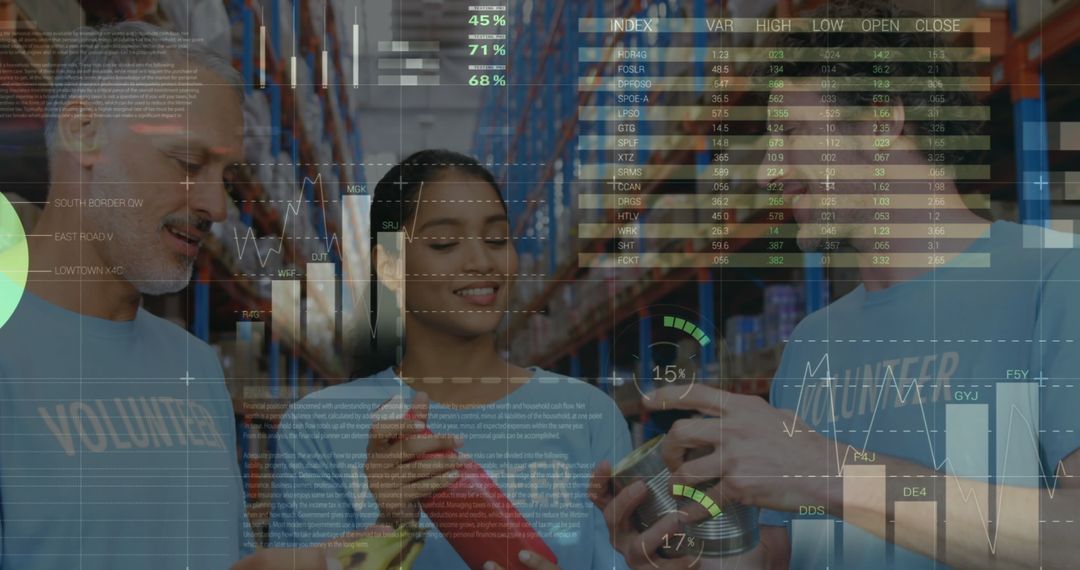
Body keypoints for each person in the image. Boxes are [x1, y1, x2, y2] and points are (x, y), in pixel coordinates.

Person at [590, 1, 1080, 568]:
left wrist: (827, 472)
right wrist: (689, 553)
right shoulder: (811, 344)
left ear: (880, 123)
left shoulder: (1054, 281)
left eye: (790, 132)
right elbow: (789, 551)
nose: (768, 173)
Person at [0, 21, 384, 570]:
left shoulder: (194, 365)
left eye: (224, 175)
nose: (216, 206)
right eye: (186, 162)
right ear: (84, 132)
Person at [269, 150, 632, 570]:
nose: (482, 262)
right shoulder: (318, 427)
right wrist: (390, 528)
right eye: (444, 243)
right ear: (389, 266)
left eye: (497, 239)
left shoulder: (589, 415)